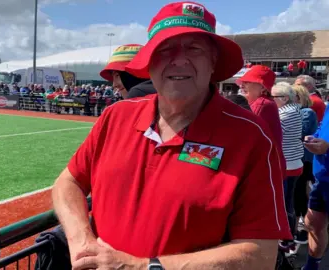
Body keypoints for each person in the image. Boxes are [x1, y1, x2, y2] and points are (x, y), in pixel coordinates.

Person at [52, 2, 291, 269]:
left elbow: (260, 256)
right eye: (165, 49)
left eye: (194, 48)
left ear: (213, 61)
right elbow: (68, 182)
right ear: (150, 61)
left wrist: (144, 266)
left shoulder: (251, 137)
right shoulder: (115, 116)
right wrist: (83, 242)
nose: (179, 59)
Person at [271, 82, 304, 254]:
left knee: (284, 204)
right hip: (294, 162)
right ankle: (289, 238)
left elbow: (273, 132)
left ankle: (287, 239)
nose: (271, 100)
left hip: (288, 164)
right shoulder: (296, 109)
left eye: (273, 97)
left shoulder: (285, 114)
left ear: (283, 98)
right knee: (288, 202)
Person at [292, 84, 318, 248]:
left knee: (300, 192)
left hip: (304, 159)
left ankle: (304, 226)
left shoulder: (307, 112)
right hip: (296, 157)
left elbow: (300, 132)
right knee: (300, 192)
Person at [303, 105, 329, 270]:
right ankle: (312, 266)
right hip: (322, 177)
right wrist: (314, 137)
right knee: (313, 223)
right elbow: (322, 128)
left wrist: (327, 146)